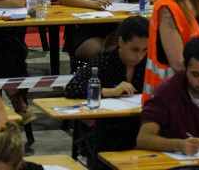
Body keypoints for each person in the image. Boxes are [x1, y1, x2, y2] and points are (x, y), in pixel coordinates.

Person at [62, 16, 148, 149]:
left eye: (145, 50)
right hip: (105, 129)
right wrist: (110, 91)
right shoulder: (106, 60)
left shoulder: (147, 63)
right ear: (121, 41)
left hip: (138, 126)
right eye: (135, 49)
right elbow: (72, 88)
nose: (139, 56)